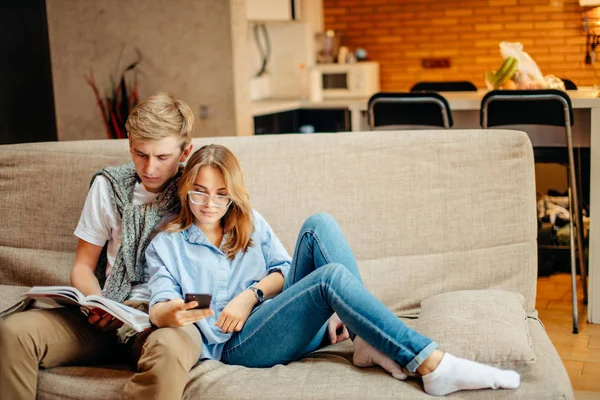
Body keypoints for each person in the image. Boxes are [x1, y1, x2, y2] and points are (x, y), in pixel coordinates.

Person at [143, 144, 521, 397]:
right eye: (199, 191)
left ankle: (364, 341)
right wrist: (171, 313)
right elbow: (159, 304)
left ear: (234, 193)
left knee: (318, 224)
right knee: (329, 279)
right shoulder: (167, 244)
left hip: (279, 319)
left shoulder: (249, 221)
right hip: (239, 346)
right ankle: (431, 362)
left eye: (221, 193)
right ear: (185, 190)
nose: (210, 204)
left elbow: (283, 269)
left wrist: (250, 295)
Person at [0, 92, 202, 400]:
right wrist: (96, 303)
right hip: (110, 316)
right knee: (14, 332)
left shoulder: (200, 193)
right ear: (129, 143)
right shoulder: (108, 186)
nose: (149, 168)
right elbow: (83, 265)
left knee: (170, 349)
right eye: (139, 153)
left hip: (162, 321)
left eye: (162, 157)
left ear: (185, 151)